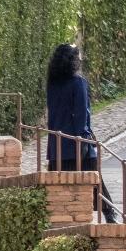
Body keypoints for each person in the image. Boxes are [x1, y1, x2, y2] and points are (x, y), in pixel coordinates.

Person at [45, 44, 117, 224]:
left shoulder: (52, 84)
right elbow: (82, 114)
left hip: (57, 144)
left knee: (61, 185)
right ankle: (109, 214)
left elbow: (53, 114)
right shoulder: (78, 83)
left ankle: (67, 219)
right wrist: (85, 139)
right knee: (93, 180)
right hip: (76, 143)